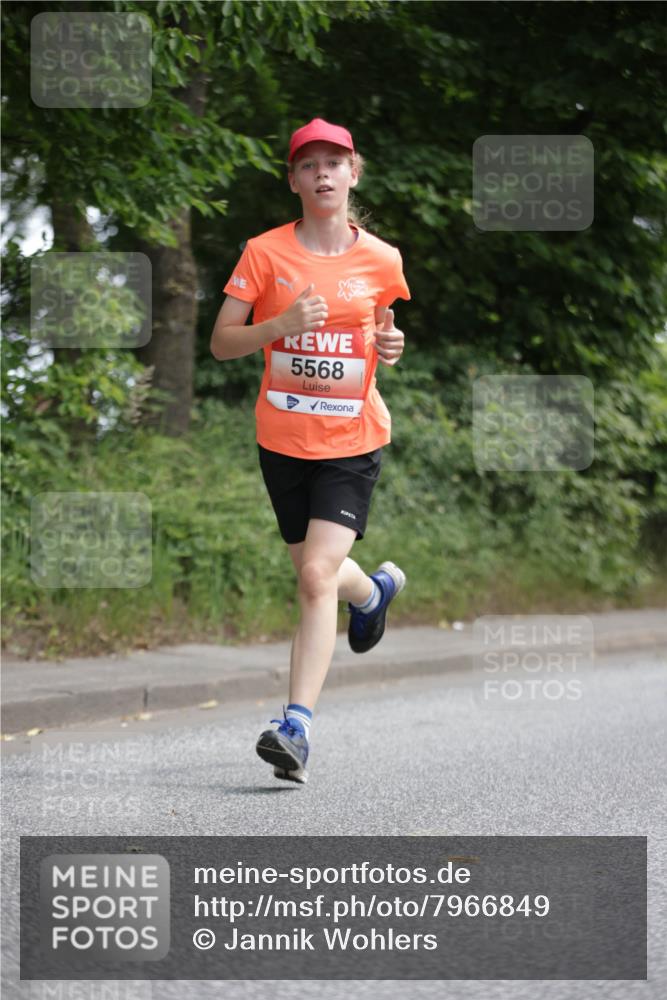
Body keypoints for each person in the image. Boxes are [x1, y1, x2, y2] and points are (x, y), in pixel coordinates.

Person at [210, 117, 411, 785]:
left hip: (352, 438)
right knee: (318, 576)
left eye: (334, 162)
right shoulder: (263, 253)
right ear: (293, 180)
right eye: (308, 164)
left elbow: (380, 335)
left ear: (353, 174)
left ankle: (295, 728)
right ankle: (372, 593)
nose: (322, 173)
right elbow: (222, 343)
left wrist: (392, 346)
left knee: (315, 577)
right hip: (283, 440)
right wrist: (280, 324)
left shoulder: (381, 259)